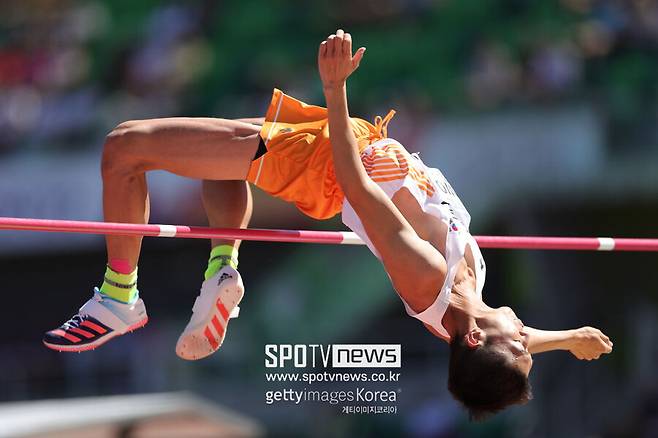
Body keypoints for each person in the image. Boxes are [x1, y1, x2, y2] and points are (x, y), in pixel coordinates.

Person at [43, 30, 613, 418]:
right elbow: (514, 337)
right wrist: (572, 340)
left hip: (324, 164)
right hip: (343, 149)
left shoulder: (429, 278)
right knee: (213, 164)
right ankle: (223, 267)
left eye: (521, 346)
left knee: (124, 149)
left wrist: (336, 87)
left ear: (473, 338)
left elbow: (357, 184)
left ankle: (120, 295)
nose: (527, 338)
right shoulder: (474, 309)